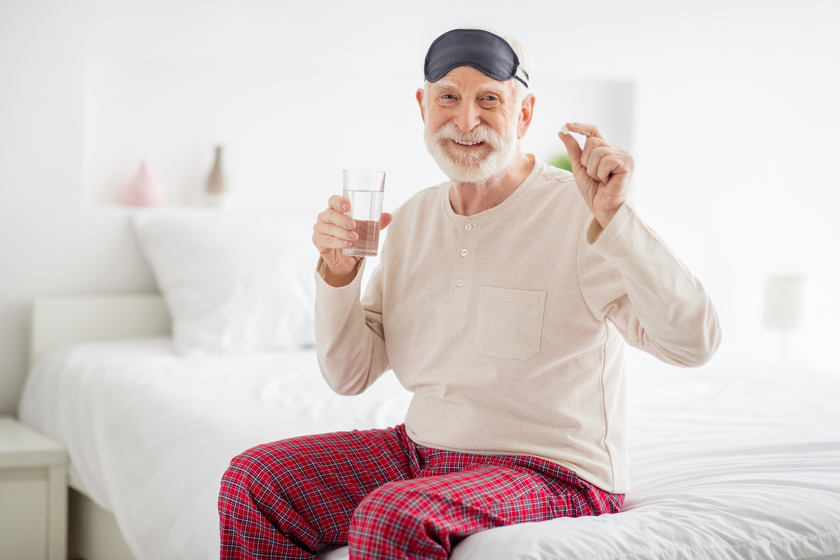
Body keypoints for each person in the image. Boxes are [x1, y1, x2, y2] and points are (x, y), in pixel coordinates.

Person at [219, 27, 721, 560]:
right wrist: (340, 276)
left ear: (523, 115)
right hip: (421, 454)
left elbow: (694, 343)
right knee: (256, 480)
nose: (465, 121)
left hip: (552, 470)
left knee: (391, 515)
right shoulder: (412, 219)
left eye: (489, 99)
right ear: (423, 106)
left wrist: (617, 219)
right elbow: (349, 374)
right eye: (448, 98)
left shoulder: (581, 214)